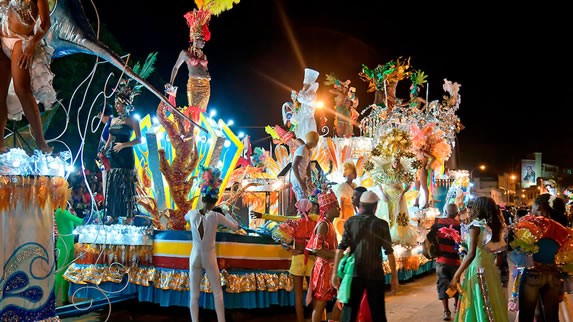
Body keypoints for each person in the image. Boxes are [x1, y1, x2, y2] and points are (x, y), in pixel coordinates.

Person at [332, 190, 399, 322]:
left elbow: (341, 248)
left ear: (361, 205)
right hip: (375, 275)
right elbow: (389, 253)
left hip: (355, 273)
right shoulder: (381, 224)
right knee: (378, 313)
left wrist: (335, 273)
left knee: (350, 311)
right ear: (375, 207)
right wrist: (394, 277)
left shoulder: (350, 222)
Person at [0, 0, 55, 154]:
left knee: (22, 90)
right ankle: (0, 145)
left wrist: (33, 44)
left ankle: (41, 142)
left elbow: (46, 22)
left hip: (21, 41)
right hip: (2, 39)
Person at [185, 167, 239, 322]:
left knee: (194, 295)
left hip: (194, 256)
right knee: (217, 292)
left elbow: (184, 217)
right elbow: (236, 227)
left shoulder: (193, 214)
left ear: (202, 197)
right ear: (216, 200)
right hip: (209, 257)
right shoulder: (216, 216)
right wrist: (226, 212)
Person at [250, 199, 318, 322]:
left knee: (298, 295)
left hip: (297, 259)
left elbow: (278, 231)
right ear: (310, 209)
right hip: (311, 259)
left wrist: (289, 249)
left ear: (298, 209)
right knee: (313, 293)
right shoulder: (315, 222)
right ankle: (316, 319)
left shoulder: (294, 222)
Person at [449, 196, 508, 322]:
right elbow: (499, 256)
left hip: (476, 269)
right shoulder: (494, 227)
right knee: (490, 303)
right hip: (490, 270)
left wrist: (456, 275)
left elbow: (471, 254)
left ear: (478, 209)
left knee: (479, 303)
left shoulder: (475, 226)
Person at [517, 194, 567, 322]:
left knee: (526, 316)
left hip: (533, 273)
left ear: (539, 207)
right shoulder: (563, 227)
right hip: (554, 275)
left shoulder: (533, 224)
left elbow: (518, 248)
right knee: (551, 317)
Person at [101, 80, 142, 222]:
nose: (116, 107)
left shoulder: (132, 121)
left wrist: (124, 145)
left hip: (126, 156)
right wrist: (103, 150)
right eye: (116, 104)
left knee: (126, 185)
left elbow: (139, 140)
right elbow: (109, 140)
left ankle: (129, 216)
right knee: (114, 185)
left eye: (119, 104)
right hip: (114, 157)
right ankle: (113, 214)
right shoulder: (112, 121)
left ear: (125, 105)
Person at [170, 8, 211, 118]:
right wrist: (171, 82)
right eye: (201, 39)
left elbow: (205, 69)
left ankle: (199, 133)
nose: (204, 42)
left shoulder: (203, 55)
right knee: (193, 111)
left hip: (206, 86)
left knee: (203, 111)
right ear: (195, 38)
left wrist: (208, 75)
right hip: (194, 85)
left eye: (204, 40)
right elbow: (175, 68)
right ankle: (191, 132)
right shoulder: (185, 53)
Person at [306, 189, 341, 322]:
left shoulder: (329, 224)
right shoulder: (323, 225)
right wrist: (336, 255)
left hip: (330, 268)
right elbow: (316, 250)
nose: (339, 209)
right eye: (335, 206)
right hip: (324, 270)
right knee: (320, 304)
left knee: (335, 301)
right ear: (327, 209)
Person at [429, 203, 461, 321]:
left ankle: (446, 311)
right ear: (457, 213)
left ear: (446, 211)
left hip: (441, 260)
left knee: (442, 283)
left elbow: (429, 238)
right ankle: (457, 309)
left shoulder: (438, 223)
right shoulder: (459, 225)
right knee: (455, 284)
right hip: (456, 261)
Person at [54, 205, 84, 304]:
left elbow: (75, 224)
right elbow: (79, 221)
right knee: (60, 271)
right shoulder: (61, 211)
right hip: (63, 245)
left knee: (67, 272)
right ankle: (52, 298)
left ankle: (64, 298)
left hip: (70, 244)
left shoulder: (65, 212)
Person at [291, 131, 319, 201]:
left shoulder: (309, 151)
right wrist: (300, 183)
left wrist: (309, 178)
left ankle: (302, 211)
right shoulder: (302, 149)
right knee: (303, 201)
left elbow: (308, 165)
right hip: (297, 178)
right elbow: (294, 165)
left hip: (302, 177)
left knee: (305, 199)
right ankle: (301, 212)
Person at [334, 161, 357, 241]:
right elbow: (342, 200)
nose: (351, 176)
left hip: (351, 209)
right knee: (344, 226)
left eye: (352, 174)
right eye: (350, 175)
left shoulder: (354, 185)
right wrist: (343, 214)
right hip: (345, 209)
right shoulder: (343, 186)